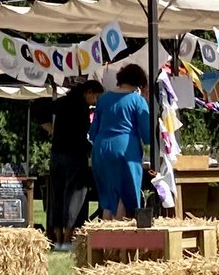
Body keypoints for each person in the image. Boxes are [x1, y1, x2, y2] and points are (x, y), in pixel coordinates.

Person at [42, 79, 103, 251]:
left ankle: (58, 237)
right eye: (96, 97)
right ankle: (69, 239)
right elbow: (82, 135)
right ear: (89, 92)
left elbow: (41, 110)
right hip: (75, 155)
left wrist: (51, 129)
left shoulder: (63, 102)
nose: (95, 102)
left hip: (57, 153)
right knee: (74, 197)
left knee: (57, 196)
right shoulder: (82, 108)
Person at [89, 64, 151, 221]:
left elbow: (92, 131)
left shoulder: (102, 99)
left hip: (100, 149)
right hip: (125, 149)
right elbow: (147, 135)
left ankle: (104, 238)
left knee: (107, 198)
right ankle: (118, 240)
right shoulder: (137, 101)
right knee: (125, 194)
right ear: (139, 82)